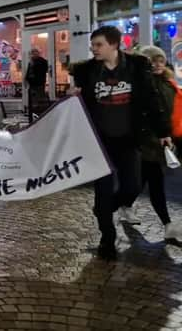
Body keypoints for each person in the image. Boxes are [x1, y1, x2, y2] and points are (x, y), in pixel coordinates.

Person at [71, 26, 171, 261]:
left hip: (128, 139)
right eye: (92, 45)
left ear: (114, 45)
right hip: (99, 141)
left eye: (98, 45)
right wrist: (72, 96)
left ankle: (105, 209)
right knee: (103, 190)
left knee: (132, 186)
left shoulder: (137, 66)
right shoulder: (86, 71)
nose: (93, 49)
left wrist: (162, 130)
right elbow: (79, 104)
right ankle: (107, 237)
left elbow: (150, 99)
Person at [133, 46, 182, 240]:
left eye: (160, 60)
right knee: (155, 182)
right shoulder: (144, 85)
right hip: (148, 141)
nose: (157, 64)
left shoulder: (169, 83)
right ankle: (168, 225)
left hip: (164, 140)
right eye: (153, 61)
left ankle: (122, 205)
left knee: (138, 184)